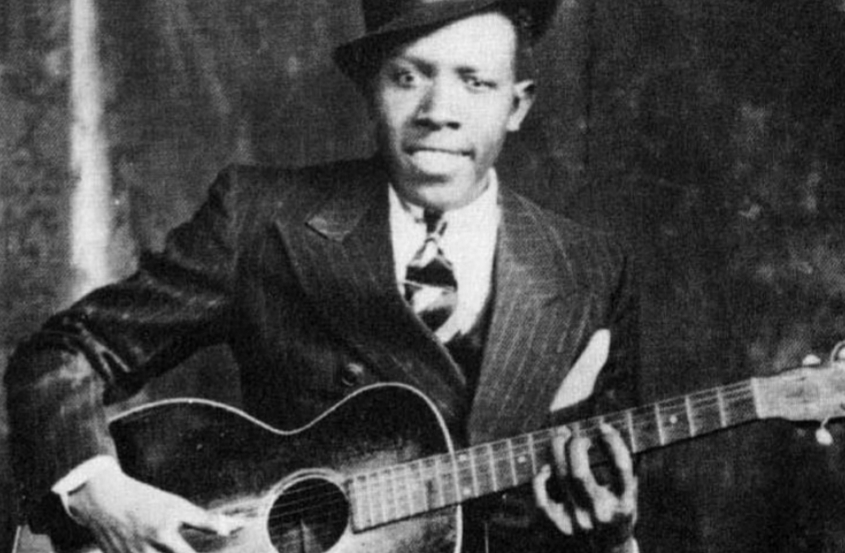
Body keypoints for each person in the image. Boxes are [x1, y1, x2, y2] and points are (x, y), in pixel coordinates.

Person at [5, 0, 642, 552]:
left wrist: (610, 538)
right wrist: (99, 492)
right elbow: (61, 356)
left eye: (475, 82)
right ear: (370, 89)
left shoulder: (590, 271)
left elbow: (607, 492)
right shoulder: (261, 220)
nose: (438, 111)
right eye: (408, 76)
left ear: (517, 105)